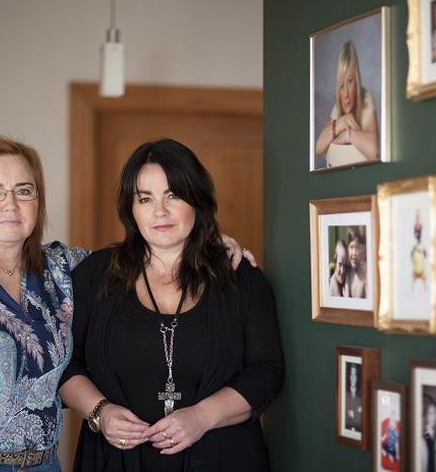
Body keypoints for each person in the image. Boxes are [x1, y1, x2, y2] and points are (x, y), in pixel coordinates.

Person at [0, 136, 252, 472]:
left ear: (38, 201)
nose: (10, 204)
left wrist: (211, 243)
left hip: (44, 464)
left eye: (24, 190)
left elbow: (153, 254)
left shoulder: (64, 270)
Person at [58, 139, 284, 471]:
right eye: (145, 199)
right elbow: (63, 363)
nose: (159, 212)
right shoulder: (94, 276)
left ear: (197, 199)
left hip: (223, 458)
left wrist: (202, 417)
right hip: (116, 461)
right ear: (131, 209)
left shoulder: (240, 277)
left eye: (173, 195)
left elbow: (267, 370)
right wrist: (99, 412)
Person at [314, 41, 380, 168]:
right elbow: (318, 148)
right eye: (341, 85)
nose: (346, 94)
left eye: (350, 81)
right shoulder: (338, 106)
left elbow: (374, 150)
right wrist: (341, 122)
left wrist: (349, 135)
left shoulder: (365, 98)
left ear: (357, 80)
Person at [344, 227, 367, 298]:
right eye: (351, 247)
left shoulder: (367, 276)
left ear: (364, 251)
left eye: (357, 248)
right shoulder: (345, 272)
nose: (354, 253)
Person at [411, 210, 427, 292]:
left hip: (418, 250)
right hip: (418, 250)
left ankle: (418, 214)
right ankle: (418, 214)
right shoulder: (419, 271)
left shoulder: (418, 235)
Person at [344, 363, 362, 434]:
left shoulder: (361, 396)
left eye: (355, 375)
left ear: (357, 378)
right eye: (351, 375)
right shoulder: (344, 394)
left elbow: (359, 419)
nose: (353, 378)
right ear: (349, 377)